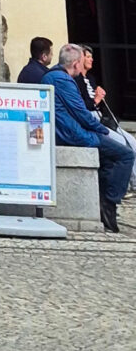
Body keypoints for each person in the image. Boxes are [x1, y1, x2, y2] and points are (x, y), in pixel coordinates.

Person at [49, 42, 134, 231]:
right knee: (126, 154)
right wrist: (103, 130)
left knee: (109, 160)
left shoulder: (55, 76)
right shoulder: (63, 80)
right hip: (74, 134)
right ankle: (110, 203)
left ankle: (104, 201)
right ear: (76, 63)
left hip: (70, 130)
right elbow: (81, 113)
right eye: (82, 60)